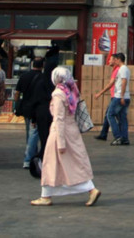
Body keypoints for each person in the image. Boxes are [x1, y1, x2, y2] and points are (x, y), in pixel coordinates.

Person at [30, 66, 101, 207]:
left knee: (52, 163)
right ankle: (46, 194)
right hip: (72, 130)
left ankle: (89, 189)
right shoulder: (71, 90)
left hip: (59, 133)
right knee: (66, 164)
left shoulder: (58, 94)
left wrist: (60, 142)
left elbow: (59, 118)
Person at [15, 57, 45, 169]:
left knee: (30, 132)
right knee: (34, 133)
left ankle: (30, 153)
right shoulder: (44, 78)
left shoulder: (24, 76)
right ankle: (29, 158)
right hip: (38, 108)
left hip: (26, 107)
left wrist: (17, 104)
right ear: (42, 66)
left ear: (32, 64)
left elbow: (17, 93)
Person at [93, 57, 120, 141]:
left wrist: (100, 93)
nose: (108, 61)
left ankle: (118, 136)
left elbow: (110, 84)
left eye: (110, 59)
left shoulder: (117, 70)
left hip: (116, 97)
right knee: (108, 115)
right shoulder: (116, 70)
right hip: (115, 96)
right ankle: (103, 134)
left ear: (115, 60)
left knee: (111, 115)